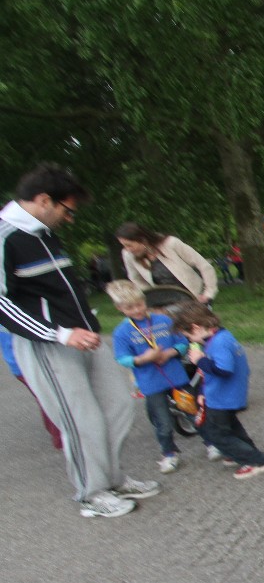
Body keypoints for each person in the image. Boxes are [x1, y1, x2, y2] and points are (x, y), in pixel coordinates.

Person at [0, 164, 159, 518]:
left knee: (118, 404)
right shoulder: (5, 236)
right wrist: (59, 333)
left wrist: (86, 326)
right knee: (80, 418)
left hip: (86, 337)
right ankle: (92, 493)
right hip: (49, 345)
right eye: (67, 210)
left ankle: (113, 479)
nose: (70, 219)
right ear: (44, 200)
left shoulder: (45, 233)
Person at [173, 301, 264, 480]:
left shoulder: (218, 343)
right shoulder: (221, 336)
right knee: (232, 427)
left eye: (188, 335)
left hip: (222, 397)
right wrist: (203, 392)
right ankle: (243, 452)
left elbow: (223, 370)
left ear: (196, 327)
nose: (190, 340)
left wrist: (199, 360)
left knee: (216, 434)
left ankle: (256, 461)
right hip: (222, 394)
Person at [107, 280, 191, 474]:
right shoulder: (122, 332)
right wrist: (142, 359)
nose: (137, 310)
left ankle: (212, 442)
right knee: (162, 421)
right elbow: (122, 358)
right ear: (120, 308)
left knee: (193, 411)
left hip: (175, 376)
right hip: (150, 382)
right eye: (130, 307)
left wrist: (170, 353)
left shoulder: (164, 320)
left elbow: (182, 342)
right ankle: (169, 453)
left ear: (144, 301)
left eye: (139, 304)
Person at [117, 221, 220, 304]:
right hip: (165, 302)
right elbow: (135, 278)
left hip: (194, 297)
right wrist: (152, 296)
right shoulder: (128, 255)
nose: (127, 249)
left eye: (129, 245)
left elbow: (204, 265)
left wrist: (208, 293)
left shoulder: (171, 243)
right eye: (123, 245)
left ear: (142, 240)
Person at [0, 326, 62, 450]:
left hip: (19, 363)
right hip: (26, 362)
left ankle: (61, 436)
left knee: (47, 397)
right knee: (52, 398)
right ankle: (63, 438)